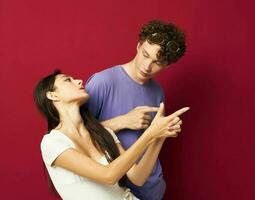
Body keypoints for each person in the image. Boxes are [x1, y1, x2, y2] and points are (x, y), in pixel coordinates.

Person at [34, 70, 189, 200]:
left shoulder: (103, 133)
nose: (79, 81)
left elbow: (138, 177)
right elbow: (108, 175)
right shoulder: (52, 142)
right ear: (52, 95)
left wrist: (159, 136)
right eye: (68, 80)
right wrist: (149, 134)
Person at [85, 20, 186, 199]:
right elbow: (75, 138)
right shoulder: (102, 82)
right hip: (120, 191)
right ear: (138, 46)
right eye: (145, 55)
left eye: (157, 62)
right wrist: (122, 121)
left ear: (167, 65)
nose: (147, 66)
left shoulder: (157, 92)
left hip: (153, 188)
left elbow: (150, 141)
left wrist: (165, 130)